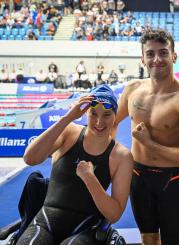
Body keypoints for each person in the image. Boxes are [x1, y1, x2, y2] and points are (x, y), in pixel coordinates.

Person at [113, 28, 179, 244]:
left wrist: (149, 144)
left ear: (173, 56)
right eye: (150, 54)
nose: (157, 59)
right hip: (138, 177)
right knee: (147, 239)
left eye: (163, 52)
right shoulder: (132, 90)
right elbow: (109, 125)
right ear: (142, 59)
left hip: (172, 180)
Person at [16, 85, 133, 245]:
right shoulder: (68, 133)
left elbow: (114, 215)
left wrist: (90, 179)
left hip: (86, 227)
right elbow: (30, 158)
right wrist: (67, 118)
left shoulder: (121, 156)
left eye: (107, 114)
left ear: (115, 116)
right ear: (86, 113)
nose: (99, 122)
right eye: (93, 114)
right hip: (46, 221)